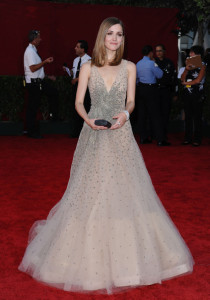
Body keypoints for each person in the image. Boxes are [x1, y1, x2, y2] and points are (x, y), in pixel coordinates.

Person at [19, 18, 194, 294]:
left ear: (123, 39)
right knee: (90, 191)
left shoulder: (130, 67)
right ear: (102, 36)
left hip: (121, 134)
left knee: (127, 190)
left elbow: (132, 101)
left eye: (119, 34)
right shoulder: (88, 67)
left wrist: (125, 115)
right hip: (94, 132)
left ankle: (132, 258)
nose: (114, 38)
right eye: (110, 33)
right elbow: (78, 102)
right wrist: (88, 120)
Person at [24, 30, 59, 139]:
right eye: (39, 37)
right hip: (34, 84)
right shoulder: (30, 51)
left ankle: (54, 116)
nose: (41, 39)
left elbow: (37, 70)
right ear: (34, 39)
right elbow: (33, 68)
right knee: (33, 107)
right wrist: (45, 62)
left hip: (38, 82)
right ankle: (31, 131)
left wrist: (48, 76)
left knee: (53, 92)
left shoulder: (33, 50)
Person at [136, 45, 170, 146]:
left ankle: (143, 137)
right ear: (150, 53)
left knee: (142, 114)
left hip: (141, 89)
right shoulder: (152, 63)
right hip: (151, 89)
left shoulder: (138, 63)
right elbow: (160, 75)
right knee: (156, 114)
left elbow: (136, 78)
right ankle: (160, 139)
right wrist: (155, 64)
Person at [181, 45, 206, 146]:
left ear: (198, 54)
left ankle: (197, 139)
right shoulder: (188, 64)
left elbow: (198, 80)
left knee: (197, 117)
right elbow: (182, 78)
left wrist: (186, 84)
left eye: (192, 52)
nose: (190, 54)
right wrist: (186, 70)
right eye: (190, 52)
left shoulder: (203, 65)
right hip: (187, 94)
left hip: (197, 94)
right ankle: (187, 138)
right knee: (188, 116)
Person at [155, 44, 177, 143]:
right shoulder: (153, 62)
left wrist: (174, 93)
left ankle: (163, 134)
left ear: (164, 51)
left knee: (165, 113)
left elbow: (174, 78)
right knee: (156, 114)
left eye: (160, 51)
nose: (158, 53)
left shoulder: (169, 62)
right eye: (157, 51)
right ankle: (157, 135)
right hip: (155, 91)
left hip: (166, 91)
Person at [70, 40, 91, 137]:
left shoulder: (89, 60)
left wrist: (77, 79)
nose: (75, 48)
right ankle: (75, 132)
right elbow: (75, 73)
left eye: (77, 47)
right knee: (75, 109)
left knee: (85, 108)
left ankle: (85, 133)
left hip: (85, 89)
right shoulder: (75, 60)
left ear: (83, 49)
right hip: (75, 87)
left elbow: (89, 75)